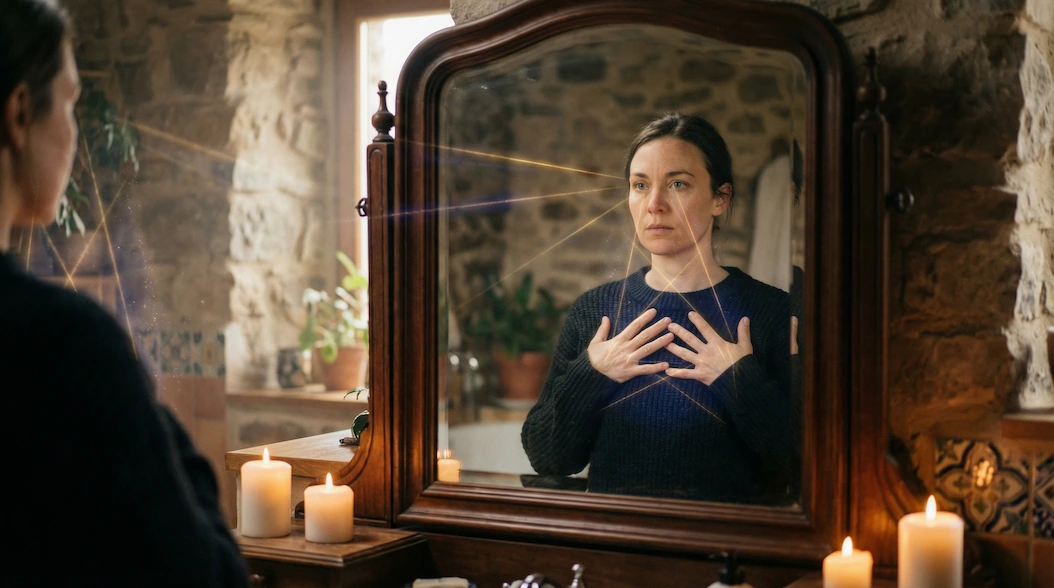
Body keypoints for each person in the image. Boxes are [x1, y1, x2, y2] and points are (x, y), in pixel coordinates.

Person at [1, 1, 251, 585]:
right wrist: (158, 430)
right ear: (19, 112)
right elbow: (203, 575)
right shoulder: (63, 345)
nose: (74, 132)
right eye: (70, 103)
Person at [521, 113, 798, 503]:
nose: (654, 205)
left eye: (678, 184)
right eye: (640, 185)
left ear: (720, 198)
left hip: (725, 538)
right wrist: (592, 374)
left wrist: (738, 380)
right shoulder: (594, 310)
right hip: (613, 535)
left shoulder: (771, 312)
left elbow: (801, 463)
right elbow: (547, 458)